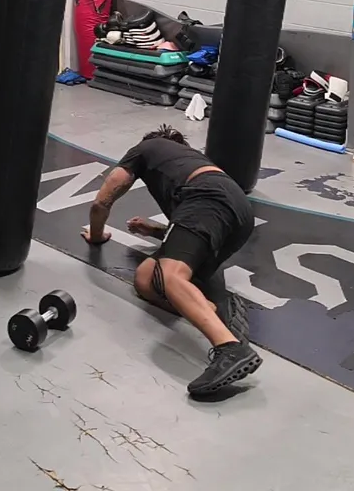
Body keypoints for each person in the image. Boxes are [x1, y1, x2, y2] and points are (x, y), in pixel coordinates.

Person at [83, 125, 261, 397]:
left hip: (206, 200)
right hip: (241, 215)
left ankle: (230, 349)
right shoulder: (189, 163)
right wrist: (155, 230)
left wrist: (96, 236)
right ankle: (216, 309)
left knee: (169, 276)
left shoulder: (144, 149)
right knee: (146, 278)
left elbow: (101, 203)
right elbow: (199, 229)